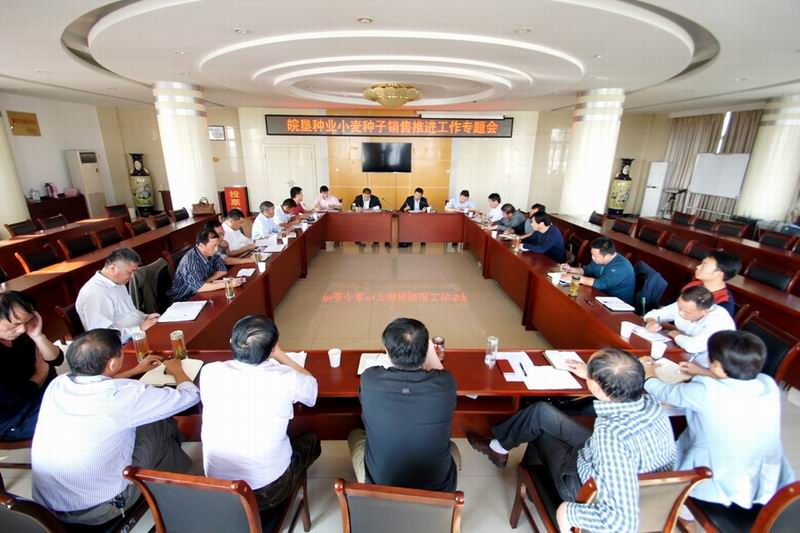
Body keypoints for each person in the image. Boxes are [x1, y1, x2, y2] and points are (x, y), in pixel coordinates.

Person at [467, 348, 676, 533]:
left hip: (583, 490)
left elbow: (623, 523)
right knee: (541, 412)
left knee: (541, 431)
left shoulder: (611, 436)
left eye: (590, 372)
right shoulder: (651, 403)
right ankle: (499, 449)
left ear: (596, 387)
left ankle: (534, 485)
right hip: (612, 467)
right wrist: (591, 376)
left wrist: (568, 512)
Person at [32, 329, 200, 525]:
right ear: (113, 363)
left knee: (147, 420)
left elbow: (100, 381)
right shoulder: (125, 394)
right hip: (103, 507)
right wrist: (177, 370)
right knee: (156, 424)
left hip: (48, 506)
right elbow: (191, 396)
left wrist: (135, 371)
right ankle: (188, 491)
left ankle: (176, 473)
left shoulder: (58, 384)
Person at [643, 330, 795, 523]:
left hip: (719, 483)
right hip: (766, 481)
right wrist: (704, 372)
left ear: (716, 364)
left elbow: (663, 391)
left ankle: (684, 509)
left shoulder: (706, 392)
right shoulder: (768, 384)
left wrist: (648, 370)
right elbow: (734, 384)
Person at [201, 315, 320, 510]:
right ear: (271, 350)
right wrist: (280, 355)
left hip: (220, 489)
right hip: (268, 491)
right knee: (312, 440)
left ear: (231, 341)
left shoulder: (210, 372)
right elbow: (311, 390)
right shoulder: (285, 378)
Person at [348, 318, 459, 492]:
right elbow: (440, 374)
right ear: (426, 350)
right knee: (452, 447)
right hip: (438, 491)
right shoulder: (446, 384)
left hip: (381, 485)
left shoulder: (370, 379)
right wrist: (427, 349)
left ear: (387, 350)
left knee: (355, 434)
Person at [0, 291, 63, 441]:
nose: (22, 329)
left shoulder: (21, 334)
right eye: (15, 324)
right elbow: (12, 398)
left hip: (41, 392)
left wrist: (38, 336)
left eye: (26, 321)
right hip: (13, 415)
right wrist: (40, 374)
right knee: (68, 421)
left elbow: (56, 360)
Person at [76, 248, 160, 342]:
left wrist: (145, 317)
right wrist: (139, 329)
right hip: (122, 344)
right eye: (130, 272)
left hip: (137, 333)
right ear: (113, 269)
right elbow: (102, 336)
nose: (133, 276)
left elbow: (129, 312)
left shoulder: (118, 282)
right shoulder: (94, 293)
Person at [643, 285, 735, 369]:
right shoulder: (685, 305)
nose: (680, 313)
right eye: (679, 308)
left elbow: (692, 346)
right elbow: (655, 314)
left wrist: (675, 334)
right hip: (681, 352)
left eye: (686, 312)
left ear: (705, 312)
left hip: (705, 366)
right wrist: (651, 321)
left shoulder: (719, 321)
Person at [167, 229, 242, 302]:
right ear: (201, 245)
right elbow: (200, 288)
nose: (216, 249)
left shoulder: (211, 252)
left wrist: (207, 281)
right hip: (184, 299)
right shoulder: (190, 261)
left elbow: (223, 270)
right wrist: (228, 283)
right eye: (214, 246)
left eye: (217, 245)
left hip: (201, 292)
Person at [560, 237, 635, 305]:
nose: (592, 258)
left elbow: (600, 284)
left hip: (617, 305)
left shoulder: (621, 267)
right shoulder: (599, 259)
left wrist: (575, 277)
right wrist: (571, 269)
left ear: (607, 256)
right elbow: (586, 270)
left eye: (595, 256)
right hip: (599, 296)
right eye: (592, 254)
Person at [682, 249, 741, 317]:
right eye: (701, 264)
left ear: (719, 274)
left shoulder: (722, 304)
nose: (698, 267)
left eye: (704, 265)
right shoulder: (694, 285)